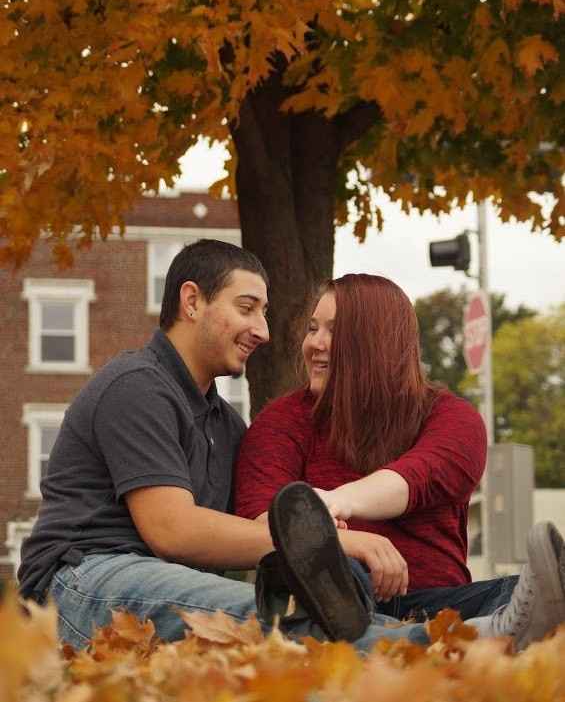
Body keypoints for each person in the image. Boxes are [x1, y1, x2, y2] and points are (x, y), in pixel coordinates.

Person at [17, 247, 565, 652]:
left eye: (266, 313)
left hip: (162, 577)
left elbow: (411, 477)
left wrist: (331, 527)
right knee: (259, 615)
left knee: (525, 593)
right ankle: (465, 644)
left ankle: (466, 629)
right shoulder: (137, 385)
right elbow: (176, 529)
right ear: (191, 301)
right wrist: (347, 546)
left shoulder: (223, 423)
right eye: (248, 308)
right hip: (86, 576)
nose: (266, 331)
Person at [236, 274, 517, 621]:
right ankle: (337, 606)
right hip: (339, 590)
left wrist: (325, 506)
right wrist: (337, 542)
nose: (315, 344)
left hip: (441, 606)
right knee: (336, 571)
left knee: (516, 592)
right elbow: (262, 519)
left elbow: (415, 478)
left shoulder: (451, 417)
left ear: (377, 342)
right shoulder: (281, 421)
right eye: (313, 329)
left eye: (334, 331)